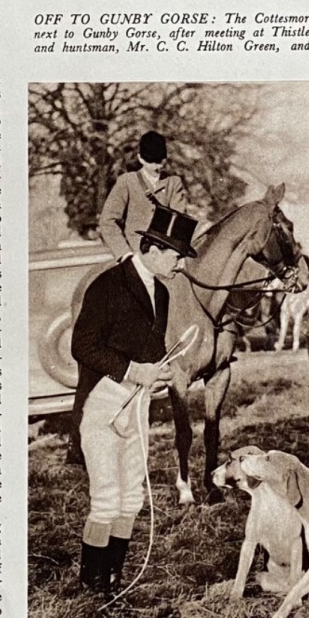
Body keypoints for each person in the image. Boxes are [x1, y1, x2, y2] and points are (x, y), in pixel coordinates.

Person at [70, 203, 197, 597]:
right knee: (106, 500)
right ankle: (92, 589)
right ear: (154, 250)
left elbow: (151, 351)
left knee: (132, 499)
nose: (180, 265)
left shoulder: (162, 291)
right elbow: (82, 346)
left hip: (137, 405)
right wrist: (132, 370)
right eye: (176, 256)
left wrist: (159, 374)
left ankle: (113, 584)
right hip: (101, 405)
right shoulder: (107, 285)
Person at [97, 131, 188, 261]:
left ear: (165, 158)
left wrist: (172, 254)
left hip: (165, 256)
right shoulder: (127, 181)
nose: (155, 167)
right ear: (140, 158)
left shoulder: (173, 183)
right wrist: (124, 253)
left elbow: (179, 222)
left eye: (159, 162)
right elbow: (107, 221)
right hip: (135, 256)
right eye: (150, 162)